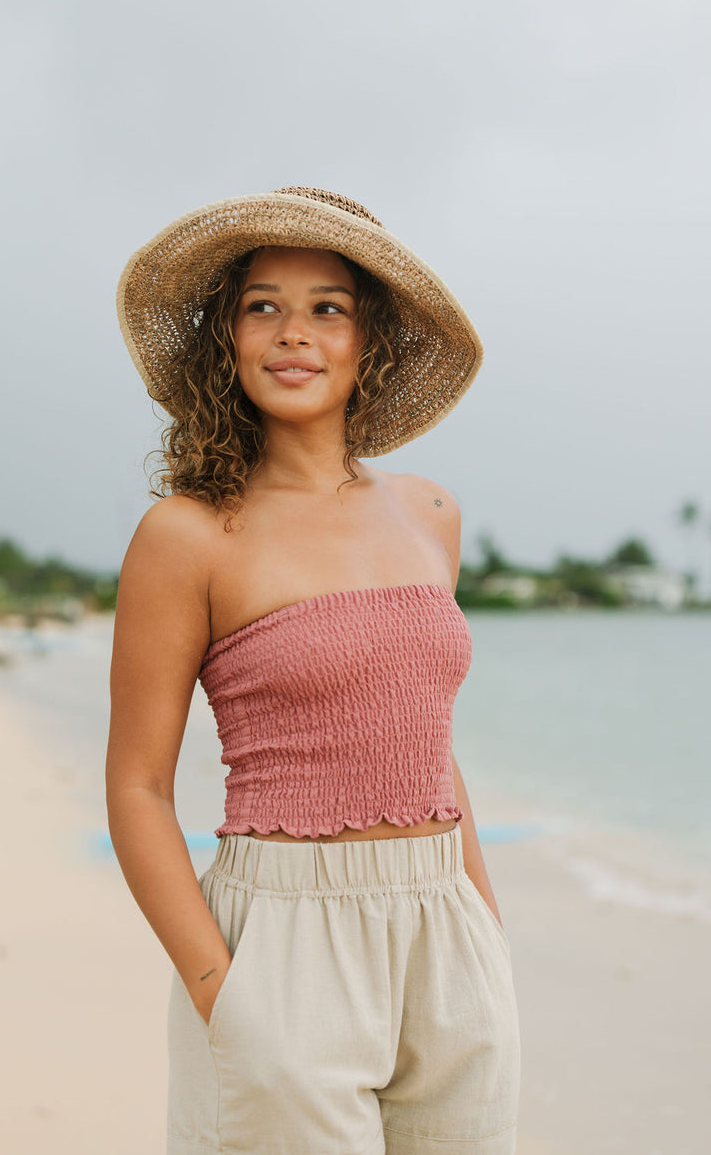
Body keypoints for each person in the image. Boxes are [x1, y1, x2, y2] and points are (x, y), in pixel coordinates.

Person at [107, 187, 521, 1155]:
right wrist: (225, 993)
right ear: (228, 338)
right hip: (279, 943)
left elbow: (424, 738)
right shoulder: (187, 533)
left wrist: (483, 933)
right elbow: (135, 785)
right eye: (262, 305)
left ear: (366, 339)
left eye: (326, 306)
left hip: (446, 935)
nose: (293, 332)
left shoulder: (428, 513)